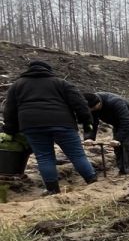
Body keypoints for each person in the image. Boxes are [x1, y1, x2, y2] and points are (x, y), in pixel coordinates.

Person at [0, 59, 98, 195]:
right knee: (77, 155)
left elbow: (10, 110)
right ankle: (92, 181)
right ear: (48, 70)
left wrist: (10, 130)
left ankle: (52, 189)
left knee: (44, 157)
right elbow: (80, 104)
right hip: (63, 124)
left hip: (32, 126)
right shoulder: (61, 83)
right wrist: (87, 124)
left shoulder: (17, 85)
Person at [83, 92, 129, 176]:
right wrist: (89, 137)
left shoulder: (115, 102)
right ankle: (123, 171)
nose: (91, 111)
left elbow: (126, 121)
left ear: (99, 104)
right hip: (117, 123)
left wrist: (117, 139)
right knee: (117, 147)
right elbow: (91, 123)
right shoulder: (90, 105)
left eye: (93, 109)